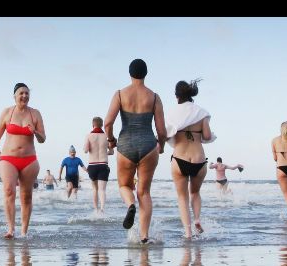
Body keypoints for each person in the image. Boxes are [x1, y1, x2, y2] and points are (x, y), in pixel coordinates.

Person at [104, 59, 167, 244]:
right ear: (146, 73)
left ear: (130, 73)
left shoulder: (120, 95)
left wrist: (111, 140)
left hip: (125, 145)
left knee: (124, 185)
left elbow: (107, 122)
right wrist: (161, 146)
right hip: (148, 145)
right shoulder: (154, 97)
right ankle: (144, 236)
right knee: (144, 192)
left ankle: (130, 204)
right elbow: (161, 131)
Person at [0, 82, 46, 239]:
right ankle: (11, 230)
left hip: (29, 160)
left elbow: (43, 139)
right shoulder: (7, 113)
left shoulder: (35, 114)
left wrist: (35, 131)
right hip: (8, 158)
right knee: (9, 191)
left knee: (26, 196)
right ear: (14, 96)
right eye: (21, 93)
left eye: (27, 93)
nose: (24, 96)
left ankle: (23, 232)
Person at [164, 79, 216, 238]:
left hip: (180, 159)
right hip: (199, 160)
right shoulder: (202, 113)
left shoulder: (172, 113)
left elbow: (166, 134)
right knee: (195, 193)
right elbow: (207, 136)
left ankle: (188, 233)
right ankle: (197, 219)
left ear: (176, 95)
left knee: (182, 197)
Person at [83, 116, 114, 213]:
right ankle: (102, 209)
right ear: (101, 125)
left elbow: (85, 150)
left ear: (93, 125)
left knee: (95, 189)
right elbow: (112, 152)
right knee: (102, 190)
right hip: (103, 165)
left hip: (92, 165)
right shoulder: (107, 137)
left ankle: (96, 210)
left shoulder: (88, 136)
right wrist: (105, 151)